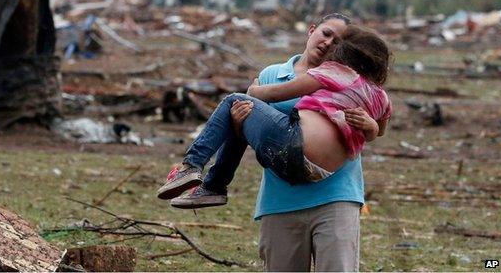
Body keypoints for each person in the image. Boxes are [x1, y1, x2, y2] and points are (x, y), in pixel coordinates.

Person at [160, 14, 381, 271]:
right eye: (326, 33)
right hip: (281, 200)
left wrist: (372, 125)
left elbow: (377, 123)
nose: (329, 43)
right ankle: (210, 184)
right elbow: (258, 132)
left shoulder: (350, 79)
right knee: (237, 107)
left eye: (338, 41)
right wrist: (238, 123)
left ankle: (202, 176)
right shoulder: (272, 74)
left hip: (335, 198)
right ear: (311, 31)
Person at [157, 23, 391, 201]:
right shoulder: (381, 96)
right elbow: (379, 130)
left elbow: (276, 94)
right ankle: (213, 187)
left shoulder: (333, 71)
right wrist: (370, 126)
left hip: (294, 147)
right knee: (243, 111)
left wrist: (253, 90)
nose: (331, 46)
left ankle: (193, 167)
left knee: (235, 102)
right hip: (320, 172)